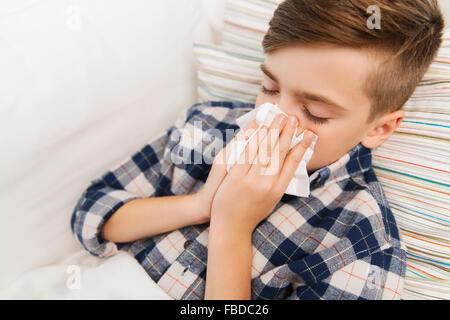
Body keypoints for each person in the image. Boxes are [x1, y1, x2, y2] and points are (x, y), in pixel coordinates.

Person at [71, 0, 444, 299]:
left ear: (379, 128)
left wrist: (232, 227)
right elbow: (91, 212)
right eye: (268, 87)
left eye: (314, 112)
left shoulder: (359, 243)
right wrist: (199, 205)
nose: (272, 119)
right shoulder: (206, 126)